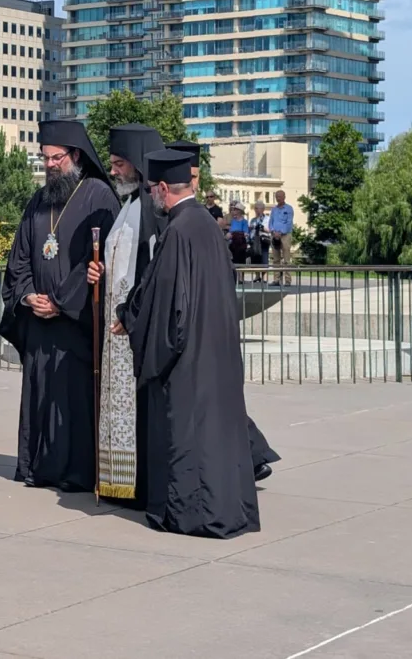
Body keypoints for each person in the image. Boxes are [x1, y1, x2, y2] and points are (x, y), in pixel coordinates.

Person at [114, 149, 260, 538]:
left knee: (190, 438)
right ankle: (229, 509)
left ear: (163, 188)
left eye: (152, 190)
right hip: (216, 349)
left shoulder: (177, 231)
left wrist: (128, 318)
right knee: (217, 438)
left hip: (188, 358)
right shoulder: (208, 225)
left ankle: (193, 515)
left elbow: (163, 303)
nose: (151, 197)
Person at [0, 119, 120, 491]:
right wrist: (28, 295)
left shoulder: (98, 195)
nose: (50, 165)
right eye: (45, 158)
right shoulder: (39, 201)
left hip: (75, 322)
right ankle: (38, 467)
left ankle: (74, 472)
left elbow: (96, 260)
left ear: (76, 156)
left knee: (71, 400)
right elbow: (19, 257)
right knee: (39, 396)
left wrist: (61, 302)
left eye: (56, 158)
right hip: (39, 321)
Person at [167, 142, 280, 480]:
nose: (195, 182)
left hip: (210, 321)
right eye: (190, 176)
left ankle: (250, 455)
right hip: (195, 322)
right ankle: (249, 455)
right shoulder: (177, 216)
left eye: (197, 175)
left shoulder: (197, 218)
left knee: (218, 400)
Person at [85, 123, 165, 507]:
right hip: (115, 327)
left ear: (137, 165)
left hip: (132, 325)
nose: (113, 171)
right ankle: (118, 481)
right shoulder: (128, 207)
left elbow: (152, 273)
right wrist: (98, 273)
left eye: (119, 164)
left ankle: (136, 482)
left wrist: (130, 314)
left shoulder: (151, 207)